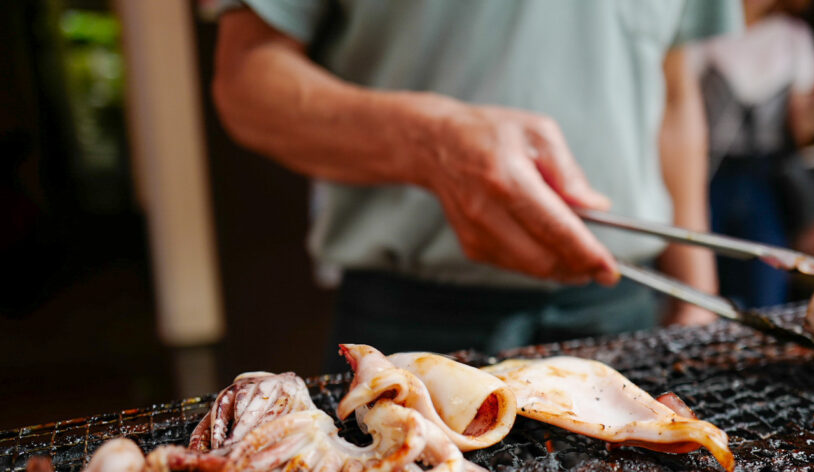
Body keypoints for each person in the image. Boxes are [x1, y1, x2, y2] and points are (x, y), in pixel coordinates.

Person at [210, 1, 742, 369]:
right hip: (412, 320)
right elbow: (244, 77)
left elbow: (674, 94)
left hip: (622, 306)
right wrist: (430, 142)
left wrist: (698, 291)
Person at [687, 0, 814, 308]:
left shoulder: (793, 37)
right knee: (702, 288)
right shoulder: (702, 29)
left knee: (766, 288)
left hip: (764, 179)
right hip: (706, 175)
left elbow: (803, 131)